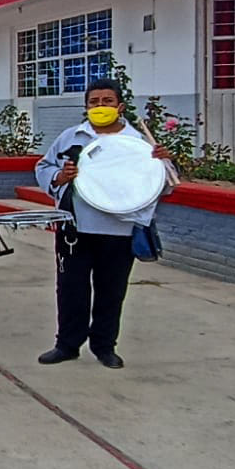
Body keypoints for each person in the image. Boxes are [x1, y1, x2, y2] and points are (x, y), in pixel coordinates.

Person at [34, 79, 175, 368]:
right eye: (94, 102)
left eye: (107, 101)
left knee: (111, 290)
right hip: (75, 227)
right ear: (86, 107)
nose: (100, 107)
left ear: (120, 106)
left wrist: (163, 163)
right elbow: (43, 167)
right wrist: (60, 177)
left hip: (119, 229)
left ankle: (104, 345)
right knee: (71, 288)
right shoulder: (72, 137)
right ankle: (67, 344)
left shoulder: (138, 143)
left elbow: (163, 185)